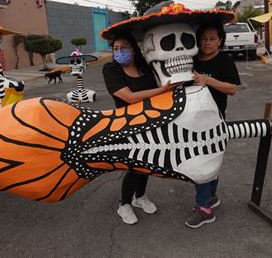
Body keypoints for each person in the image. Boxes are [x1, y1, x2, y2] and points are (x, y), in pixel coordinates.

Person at [102, 34, 179, 225]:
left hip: (151, 120)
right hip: (129, 123)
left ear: (134, 49)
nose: (120, 51)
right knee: (136, 165)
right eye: (116, 48)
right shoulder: (111, 69)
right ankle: (124, 204)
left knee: (149, 162)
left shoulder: (144, 66)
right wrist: (162, 91)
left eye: (125, 47)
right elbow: (128, 97)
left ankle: (140, 196)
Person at [184, 22, 241, 229]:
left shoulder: (224, 60)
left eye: (212, 38)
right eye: (204, 38)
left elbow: (232, 88)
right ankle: (210, 197)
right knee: (206, 160)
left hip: (213, 119)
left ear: (220, 41)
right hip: (189, 119)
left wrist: (207, 80)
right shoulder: (190, 59)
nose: (207, 42)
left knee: (201, 162)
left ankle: (204, 209)